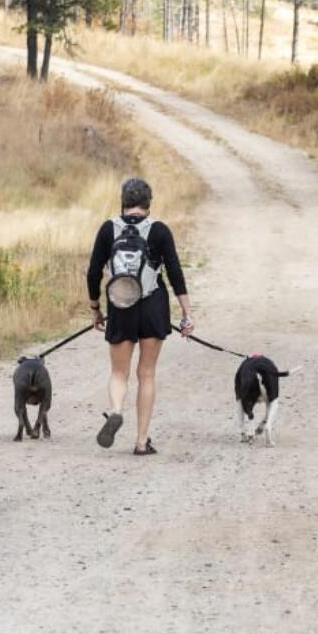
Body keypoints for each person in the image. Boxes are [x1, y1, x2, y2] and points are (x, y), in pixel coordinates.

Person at [87, 177, 194, 455]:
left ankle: (115, 409)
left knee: (119, 372)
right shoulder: (159, 231)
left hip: (121, 305)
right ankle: (141, 441)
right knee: (146, 374)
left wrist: (96, 308)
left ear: (123, 202)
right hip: (152, 306)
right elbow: (175, 274)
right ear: (149, 203)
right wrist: (186, 314)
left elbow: (93, 271)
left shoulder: (108, 229)